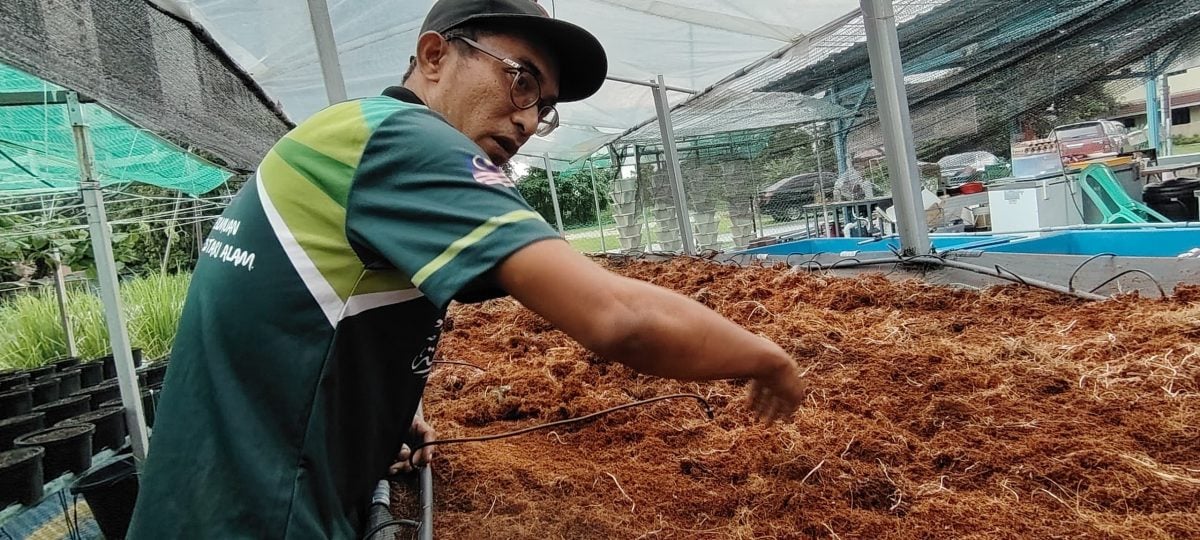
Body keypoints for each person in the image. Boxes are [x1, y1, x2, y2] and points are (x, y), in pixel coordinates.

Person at [128, 0, 807, 537]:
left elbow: (316, 314)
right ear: (433, 56)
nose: (527, 117)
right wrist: (765, 358)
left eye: (544, 106)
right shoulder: (405, 140)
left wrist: (396, 409)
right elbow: (618, 319)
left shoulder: (351, 135)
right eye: (521, 81)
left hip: (204, 500)